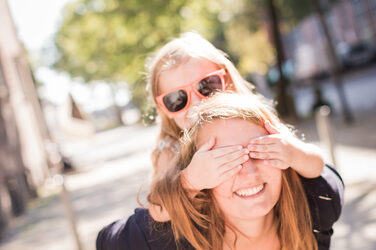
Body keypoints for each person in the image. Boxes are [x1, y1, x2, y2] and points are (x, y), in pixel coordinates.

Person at [96, 93, 344, 250]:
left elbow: (322, 170)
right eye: (224, 161)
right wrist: (187, 182)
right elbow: (106, 241)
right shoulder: (176, 239)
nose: (248, 171)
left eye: (260, 151)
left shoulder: (316, 206)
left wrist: (297, 153)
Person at [143, 31, 325, 221]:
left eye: (207, 85)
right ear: (163, 109)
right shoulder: (170, 148)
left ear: (228, 80)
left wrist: (294, 154)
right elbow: (158, 211)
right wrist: (190, 181)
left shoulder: (255, 122)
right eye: (177, 99)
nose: (197, 104)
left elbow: (317, 165)